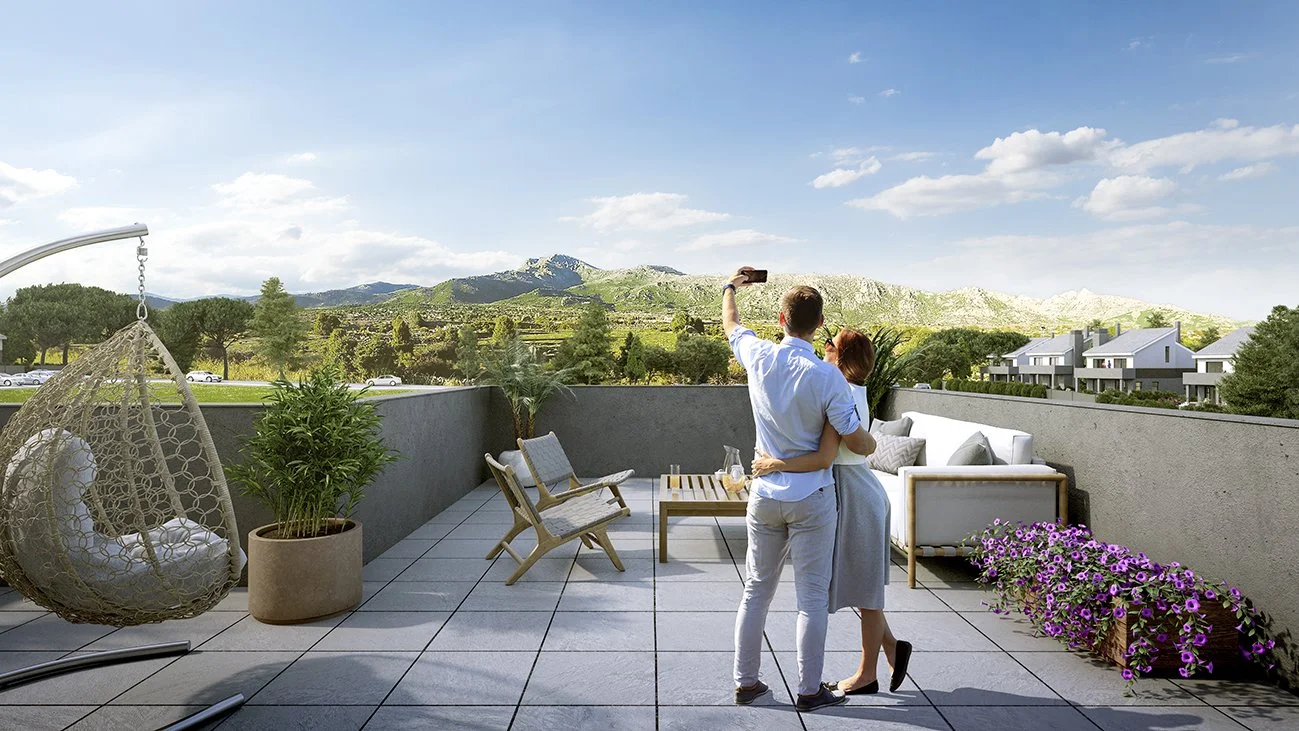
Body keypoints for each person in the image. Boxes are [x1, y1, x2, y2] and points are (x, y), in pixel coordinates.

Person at [723, 268, 877, 713]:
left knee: (756, 590)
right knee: (810, 597)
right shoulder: (829, 379)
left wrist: (732, 286)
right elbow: (854, 440)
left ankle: (746, 683)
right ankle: (810, 691)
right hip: (812, 498)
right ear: (818, 322)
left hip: (766, 493)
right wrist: (871, 439)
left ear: (780, 319)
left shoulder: (760, 357)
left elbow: (731, 322)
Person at [752, 327, 913, 696]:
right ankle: (891, 647)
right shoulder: (848, 389)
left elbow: (827, 456)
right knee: (860, 584)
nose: (825, 347)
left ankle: (866, 675)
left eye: (832, 345)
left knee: (867, 592)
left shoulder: (838, 394)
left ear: (841, 357)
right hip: (851, 489)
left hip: (854, 494)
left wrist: (777, 464)